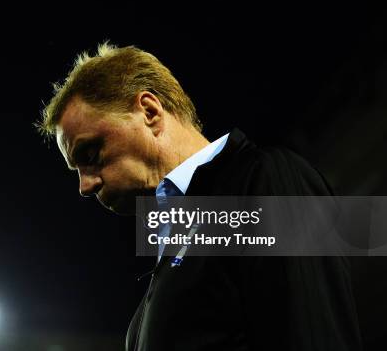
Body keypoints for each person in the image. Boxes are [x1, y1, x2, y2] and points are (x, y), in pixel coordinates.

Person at [37, 43, 362, 350]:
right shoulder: (169, 262)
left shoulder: (264, 179)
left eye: (90, 152)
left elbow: (315, 335)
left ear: (149, 111)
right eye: (75, 169)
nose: (84, 186)